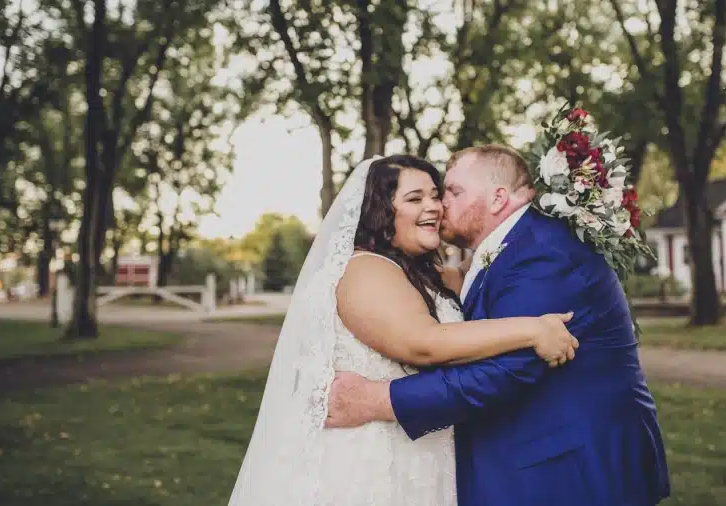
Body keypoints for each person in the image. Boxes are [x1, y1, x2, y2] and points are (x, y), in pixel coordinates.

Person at [326, 145, 671, 506]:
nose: (440, 204)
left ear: (498, 198)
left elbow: (506, 371)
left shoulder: (542, 253)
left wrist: (381, 400)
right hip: (468, 458)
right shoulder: (504, 250)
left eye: (451, 192)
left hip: (571, 469)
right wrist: (532, 329)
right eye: (422, 197)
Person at [226, 154, 579, 506]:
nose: (435, 207)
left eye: (436, 195)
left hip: (419, 452)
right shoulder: (365, 271)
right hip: (369, 463)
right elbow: (424, 344)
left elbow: (490, 261)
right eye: (415, 199)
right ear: (381, 211)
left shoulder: (423, 274)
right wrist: (533, 330)